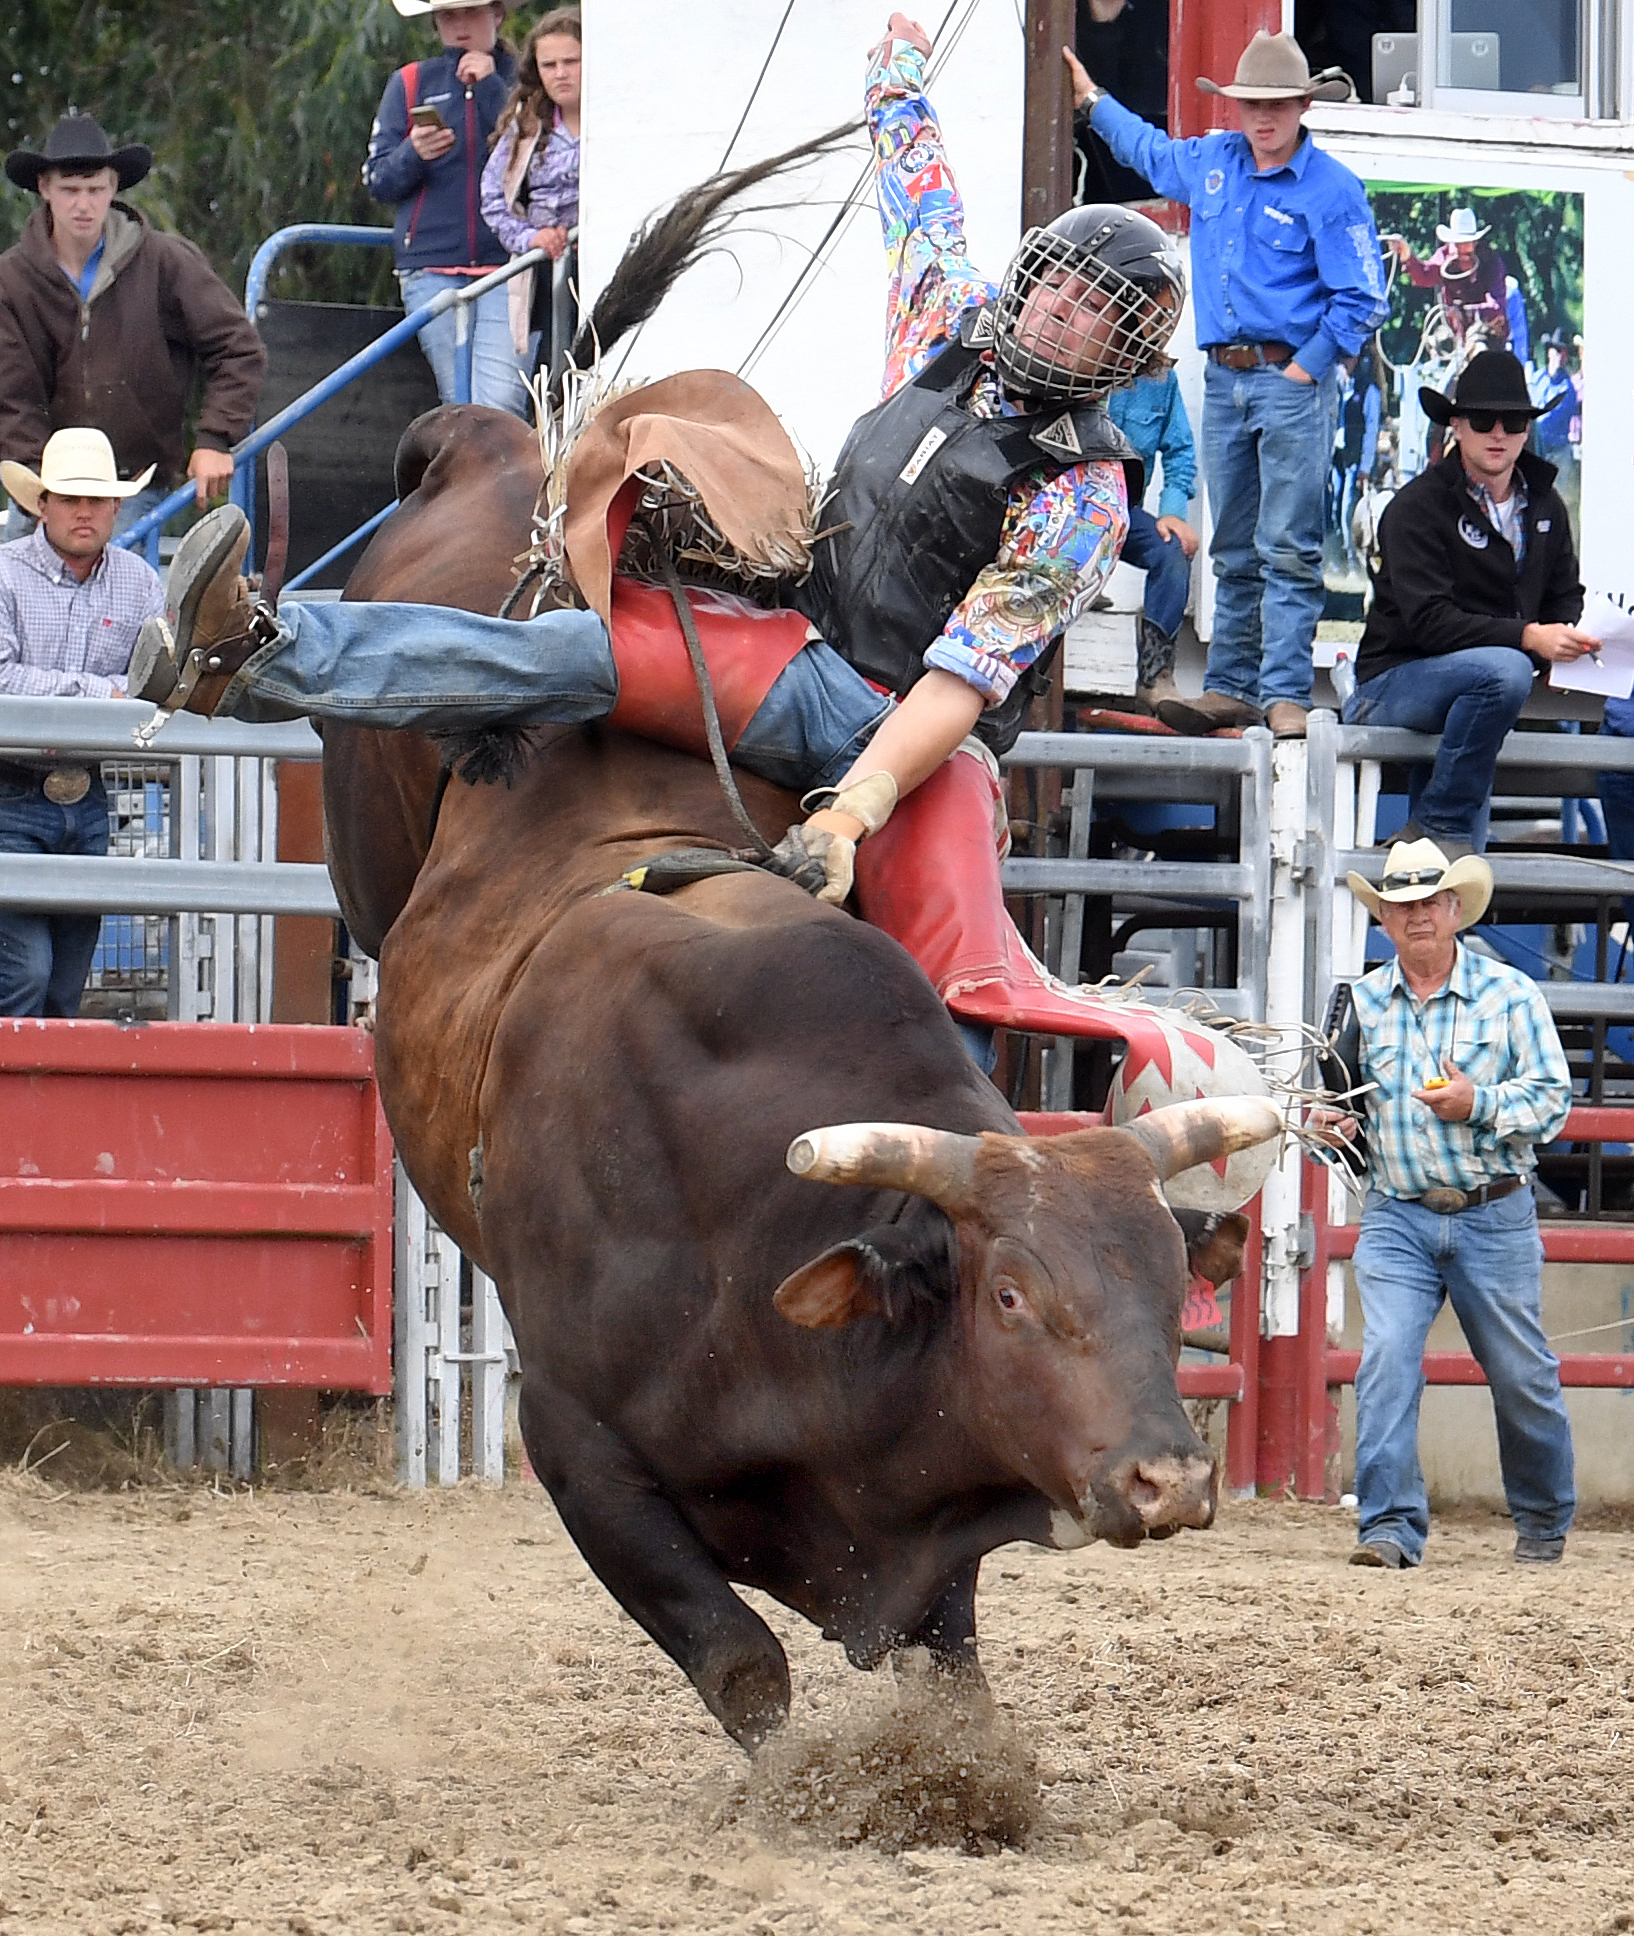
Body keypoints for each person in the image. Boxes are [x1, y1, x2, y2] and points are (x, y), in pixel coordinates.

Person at [127, 13, 1277, 1083]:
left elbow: (959, 683)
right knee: (572, 643)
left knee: (952, 953)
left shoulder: (1081, 498)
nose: (1058, 316)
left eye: (1093, 314)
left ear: (1120, 357)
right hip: (794, 625)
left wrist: (848, 809)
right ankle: (254, 650)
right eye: (1058, 289)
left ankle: (973, 1177)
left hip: (887, 710)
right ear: (1030, 283)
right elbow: (915, 190)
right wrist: (897, 68)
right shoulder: (948, 322)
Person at [1066, 30, 1388, 739]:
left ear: (1303, 106)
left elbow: (1363, 297)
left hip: (1289, 379)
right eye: (1251, 104)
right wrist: (1091, 100)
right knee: (1235, 546)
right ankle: (1233, 688)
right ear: (1237, 108)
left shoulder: (1332, 188)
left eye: (1276, 105)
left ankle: (1282, 693)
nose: (1262, 117)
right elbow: (1148, 151)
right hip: (1226, 378)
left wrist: (1306, 366)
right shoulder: (1213, 163)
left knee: (1287, 544)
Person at [1325, 836, 1575, 1569]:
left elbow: (1552, 1102)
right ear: (1385, 922)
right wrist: (1334, 1128)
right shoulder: (1363, 1005)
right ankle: (1389, 1528)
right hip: (1398, 1209)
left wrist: (1478, 1104)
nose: (1417, 916)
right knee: (1387, 1360)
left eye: (1429, 902)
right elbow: (1342, 1111)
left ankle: (1541, 1519)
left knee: (1520, 1373)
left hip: (1492, 1209)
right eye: (1401, 906)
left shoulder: (1511, 994)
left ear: (1455, 909)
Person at [1343, 351, 1594, 858]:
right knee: (1503, 672)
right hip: (1390, 682)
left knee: (1458, 879)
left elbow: (1565, 595)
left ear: (1528, 429)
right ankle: (1438, 822)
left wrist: (1559, 645)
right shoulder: (1415, 506)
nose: (1498, 433)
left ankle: (1440, 840)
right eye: (1483, 420)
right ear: (1456, 425)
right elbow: (1430, 623)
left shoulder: (1546, 504)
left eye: (1514, 421)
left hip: (1478, 697)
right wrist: (1528, 641)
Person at [0, 112, 266, 539]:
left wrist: (215, 439)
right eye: (69, 190)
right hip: (45, 486)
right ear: (44, 189)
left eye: (95, 189)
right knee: (15, 594)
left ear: (114, 187)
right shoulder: (11, 280)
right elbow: (11, 393)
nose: (83, 204)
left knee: (121, 597)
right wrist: (39, 485)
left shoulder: (164, 260)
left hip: (132, 482)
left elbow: (238, 347)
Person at [0, 428, 163, 1016]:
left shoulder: (139, 582)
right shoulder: (4, 572)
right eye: (70, 498)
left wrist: (117, 697)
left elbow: (156, 681)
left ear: (117, 507)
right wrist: (106, 694)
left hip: (88, 796)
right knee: (25, 973)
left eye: (96, 499)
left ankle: (36, 1107)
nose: (84, 512)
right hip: (8, 791)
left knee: (64, 985)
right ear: (41, 505)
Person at [363, 0, 528, 418]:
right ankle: (470, 483)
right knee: (460, 404)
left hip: (508, 266)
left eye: (471, 12)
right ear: (435, 23)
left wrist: (491, 91)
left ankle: (507, 482)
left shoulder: (527, 79)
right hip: (431, 268)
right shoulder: (412, 81)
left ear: (498, 15)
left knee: (502, 405)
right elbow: (378, 181)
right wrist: (414, 153)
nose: (460, 26)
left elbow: (539, 158)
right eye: (448, 15)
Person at [481, 8, 581, 390]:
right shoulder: (526, 126)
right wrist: (529, 238)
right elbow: (492, 197)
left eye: (571, 61)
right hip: (548, 265)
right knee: (552, 373)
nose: (560, 73)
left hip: (603, 254)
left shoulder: (616, 118)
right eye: (549, 64)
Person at [1103, 365, 1202, 724]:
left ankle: (1155, 678)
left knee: (1172, 548)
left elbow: (1180, 452)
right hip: (1064, 513)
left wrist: (1172, 510)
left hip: (1122, 513)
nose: (1158, 324)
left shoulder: (1162, 379)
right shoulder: (1079, 362)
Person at [1384, 208, 1509, 353]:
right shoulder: (1445, 257)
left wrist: (1464, 311)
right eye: (1457, 243)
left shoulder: (1491, 262)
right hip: (1458, 336)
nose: (1462, 248)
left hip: (1490, 334)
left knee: (1481, 350)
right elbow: (1424, 277)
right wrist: (1407, 255)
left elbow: (1496, 307)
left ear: (1475, 242)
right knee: (1437, 345)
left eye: (1466, 243)